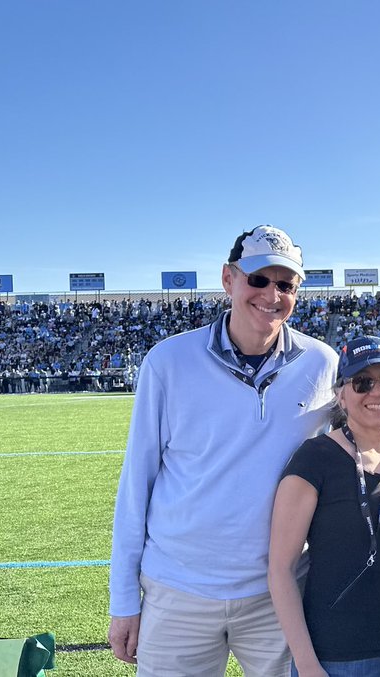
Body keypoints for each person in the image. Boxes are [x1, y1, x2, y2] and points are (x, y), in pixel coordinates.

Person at [108, 225, 339, 676]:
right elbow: (138, 482)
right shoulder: (169, 361)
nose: (272, 295)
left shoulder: (322, 363)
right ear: (229, 279)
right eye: (259, 280)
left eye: (286, 285)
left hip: (280, 594)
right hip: (178, 589)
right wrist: (123, 599)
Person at [269, 336, 380, 677]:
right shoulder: (315, 459)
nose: (378, 392)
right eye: (363, 382)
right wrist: (308, 664)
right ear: (341, 394)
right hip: (337, 657)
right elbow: (281, 570)